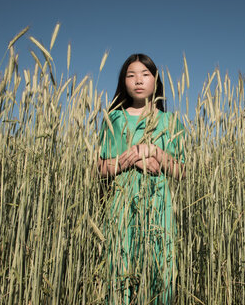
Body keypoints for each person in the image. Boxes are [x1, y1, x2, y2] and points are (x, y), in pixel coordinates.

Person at [98, 53, 185, 304]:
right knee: (119, 273)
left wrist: (154, 151)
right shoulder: (112, 118)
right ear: (123, 82)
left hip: (160, 209)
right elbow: (99, 167)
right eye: (131, 75)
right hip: (121, 208)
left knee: (160, 276)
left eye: (145, 74)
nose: (138, 80)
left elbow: (181, 170)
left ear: (156, 81)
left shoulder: (170, 122)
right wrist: (132, 158)